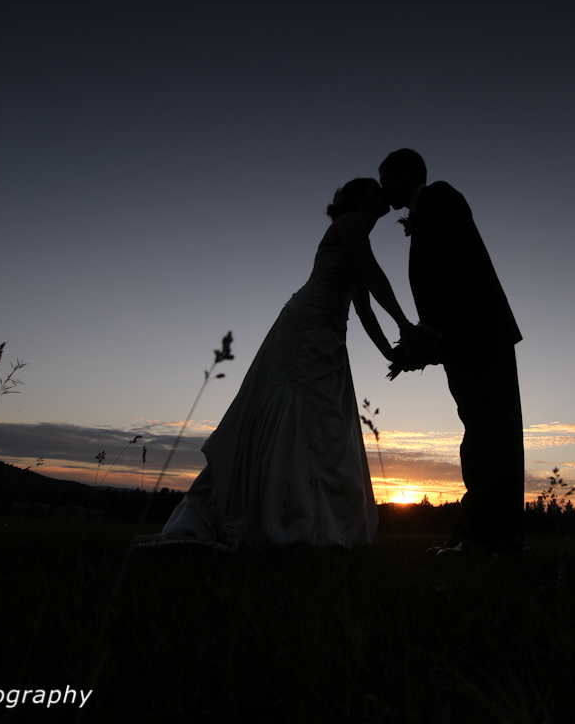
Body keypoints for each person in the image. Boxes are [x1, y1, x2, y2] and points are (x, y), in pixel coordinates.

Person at [136, 178, 413, 550]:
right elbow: (374, 277)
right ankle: (285, 516)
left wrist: (391, 352)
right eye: (373, 188)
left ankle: (305, 515)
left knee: (326, 416)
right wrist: (407, 325)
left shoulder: (358, 232)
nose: (382, 191)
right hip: (308, 323)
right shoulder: (349, 223)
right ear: (355, 198)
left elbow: (363, 305)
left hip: (331, 331)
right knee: (297, 407)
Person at [380, 149, 525, 554]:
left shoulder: (440, 197)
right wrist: (429, 342)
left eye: (387, 176)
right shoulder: (427, 210)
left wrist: (433, 331)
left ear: (409, 172)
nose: (382, 186)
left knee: (490, 433)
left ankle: (488, 535)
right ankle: (489, 532)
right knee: (482, 431)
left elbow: (456, 267)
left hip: (477, 334)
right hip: (463, 339)